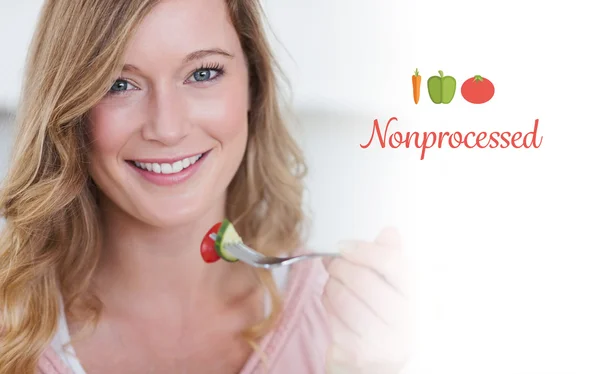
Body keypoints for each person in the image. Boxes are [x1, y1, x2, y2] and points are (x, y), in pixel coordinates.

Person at [0, 0, 409, 373]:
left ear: (253, 85)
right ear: (69, 109)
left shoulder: (348, 326)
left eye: (202, 73)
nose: (168, 128)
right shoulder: (11, 332)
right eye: (118, 84)